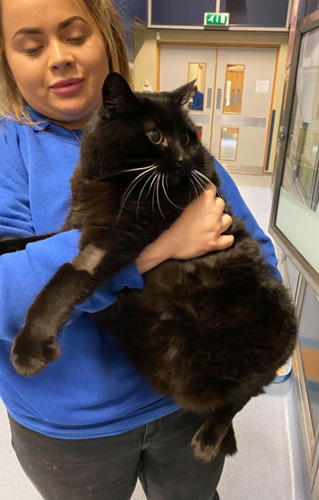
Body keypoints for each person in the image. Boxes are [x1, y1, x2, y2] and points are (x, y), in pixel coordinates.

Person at [0, 1, 282, 499]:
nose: (60, 57)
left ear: (108, 39)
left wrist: (250, 354)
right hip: (71, 431)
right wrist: (155, 248)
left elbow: (252, 244)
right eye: (31, 45)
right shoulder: (8, 151)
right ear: (6, 57)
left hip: (183, 398)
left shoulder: (174, 149)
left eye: (75, 35)